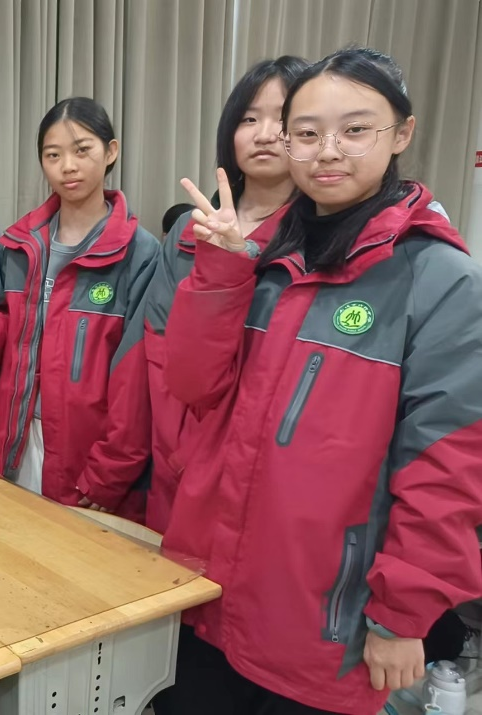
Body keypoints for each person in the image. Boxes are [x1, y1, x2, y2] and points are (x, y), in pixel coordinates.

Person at [155, 48, 482, 715]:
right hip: (211, 588)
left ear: (402, 133)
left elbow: (446, 468)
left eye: (355, 129)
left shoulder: (439, 278)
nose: (328, 151)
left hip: (328, 618)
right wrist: (220, 272)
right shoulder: (265, 256)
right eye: (307, 133)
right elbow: (192, 386)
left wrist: (403, 614)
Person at [0, 97, 159, 518]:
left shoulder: (139, 253)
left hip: (87, 457)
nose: (67, 166)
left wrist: (109, 473)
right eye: (53, 155)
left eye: (82, 150)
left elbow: (137, 379)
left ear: (111, 151)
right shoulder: (18, 244)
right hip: (15, 441)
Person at [140, 56, 307, 532]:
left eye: (283, 120)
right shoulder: (191, 231)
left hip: (263, 471)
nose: (264, 134)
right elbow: (151, 349)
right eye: (249, 119)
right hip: (175, 451)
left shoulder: (320, 240)